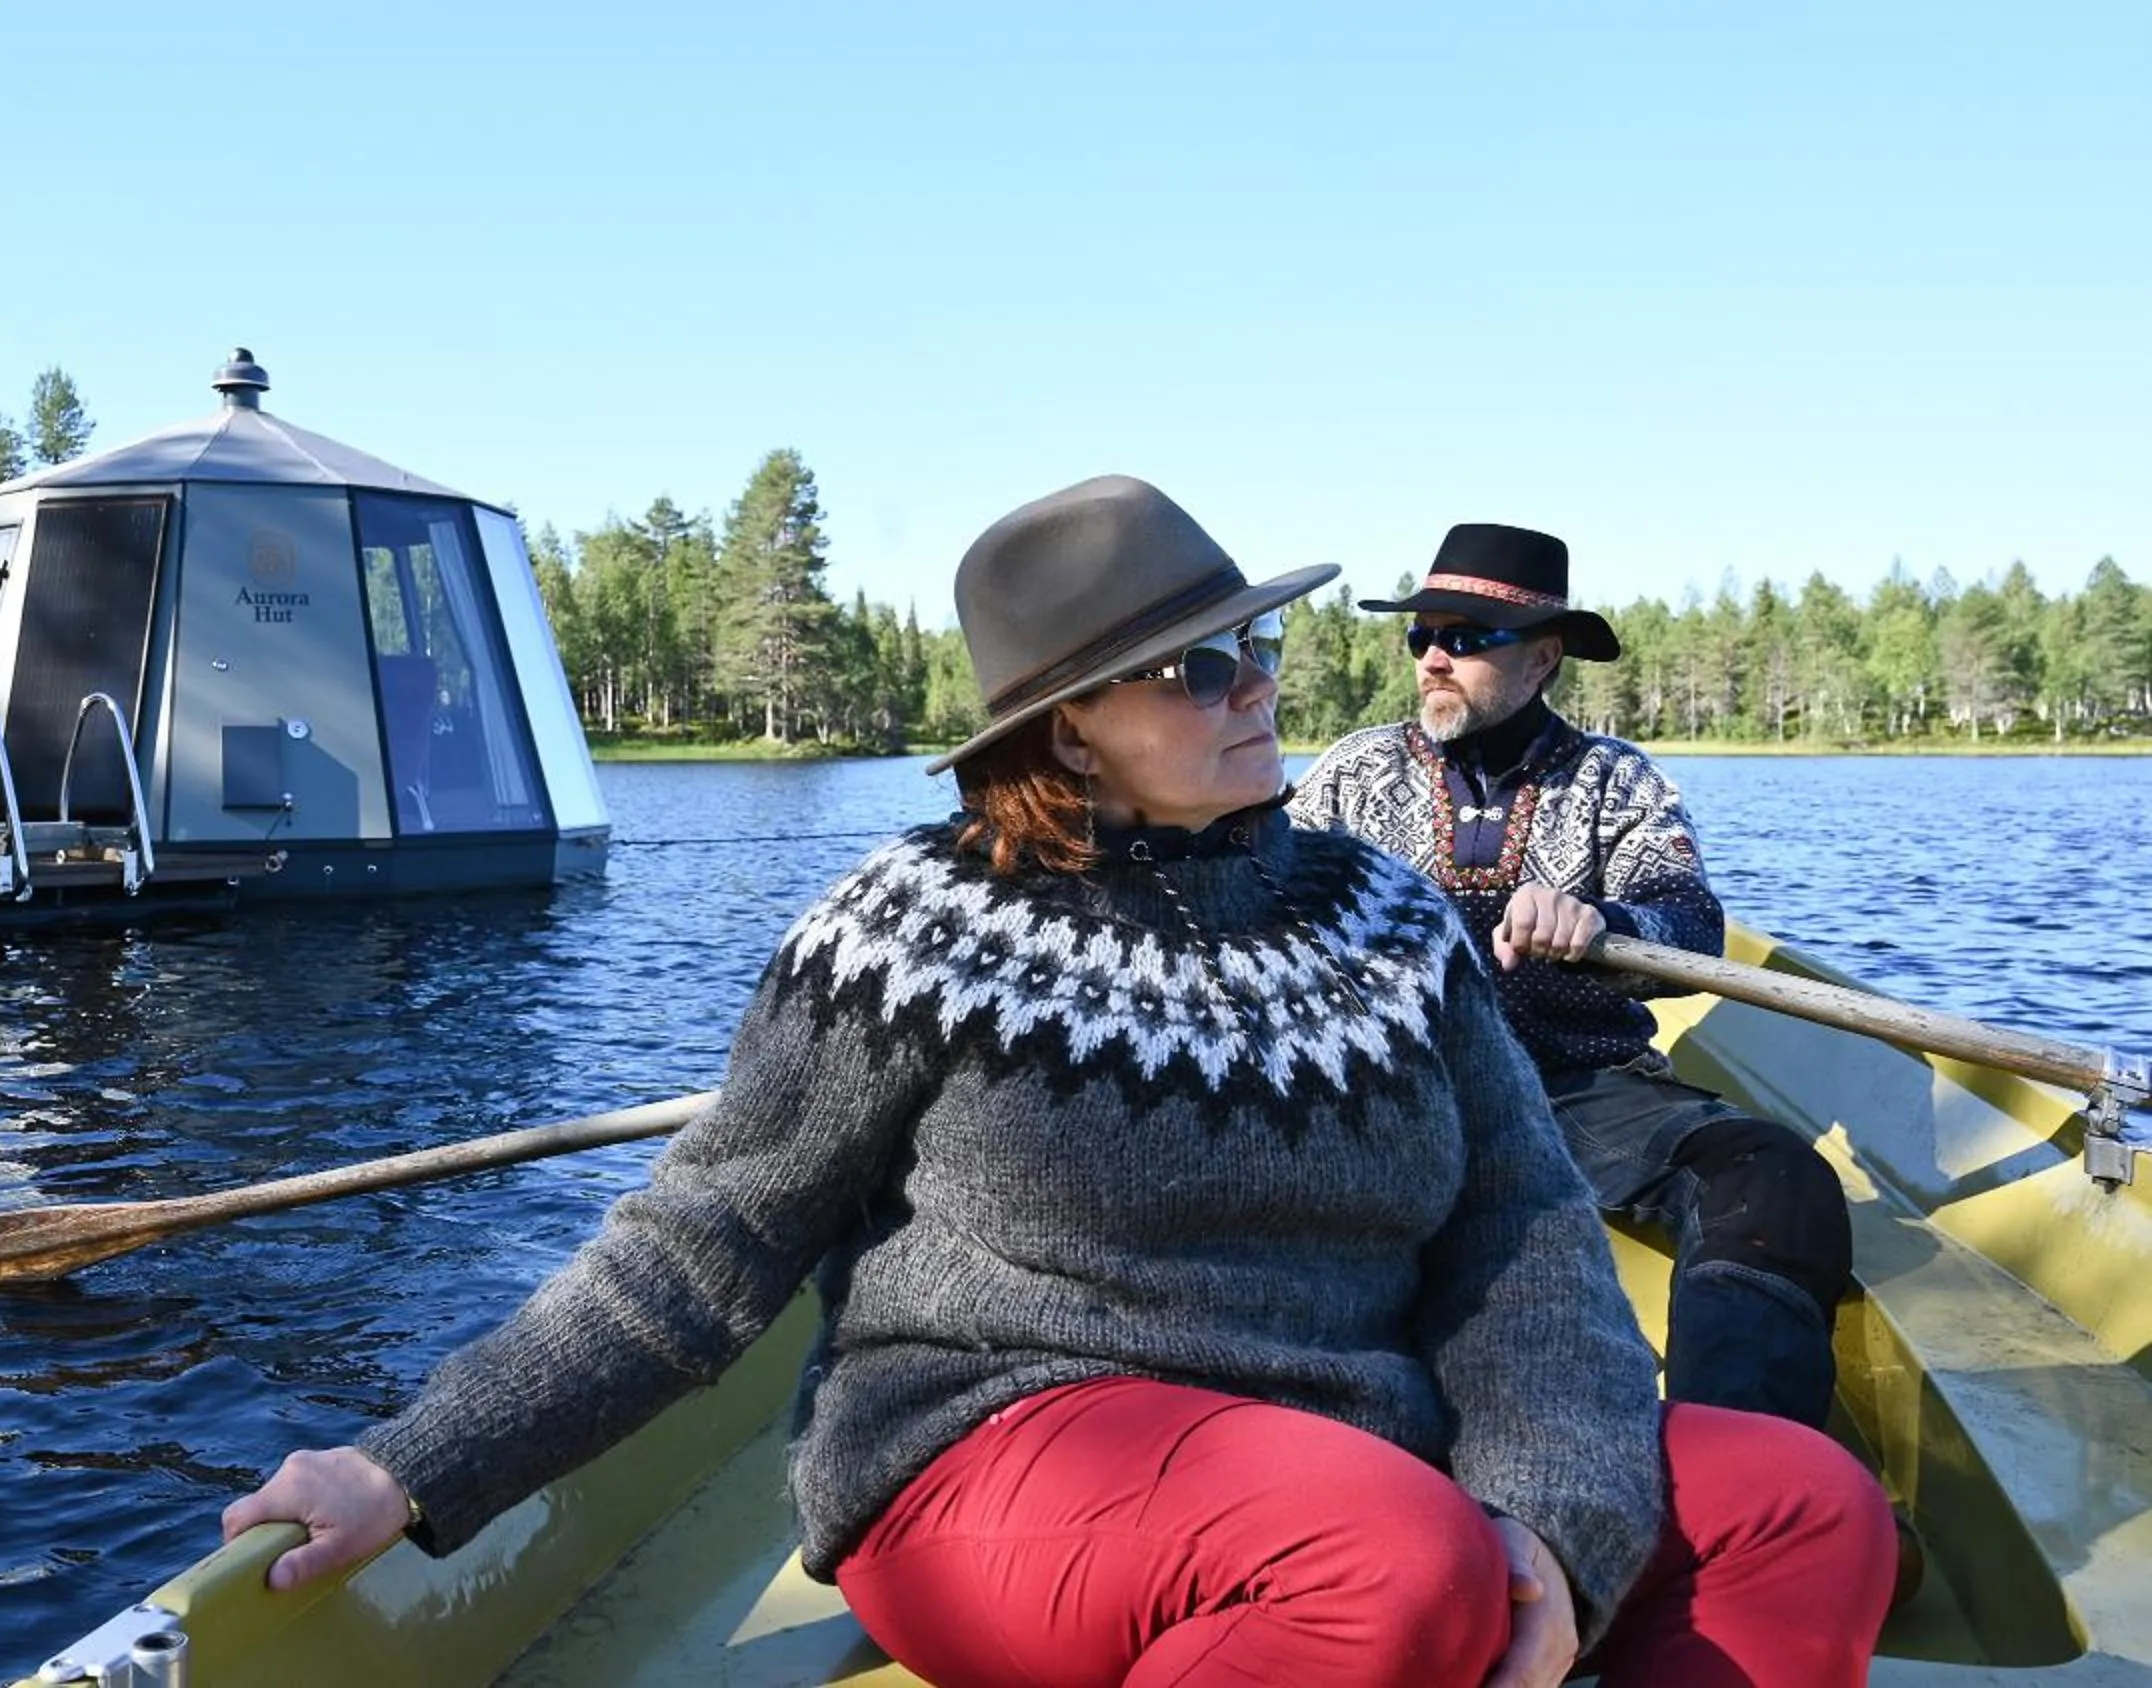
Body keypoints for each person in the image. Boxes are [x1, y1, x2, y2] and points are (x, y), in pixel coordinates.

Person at [225, 477, 1895, 1687]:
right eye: (1200, 666)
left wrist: (1553, 1518)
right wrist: (415, 1460)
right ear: (1071, 728)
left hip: (1359, 1442)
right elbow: (700, 1245)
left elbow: (1523, 1241)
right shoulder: (914, 928)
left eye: (1255, 642)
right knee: (1388, 1559)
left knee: (1801, 1507)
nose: (1260, 685)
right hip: (992, 1453)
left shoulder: (1386, 924)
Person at [1289, 524, 1855, 1432]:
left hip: (1575, 1090)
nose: (1434, 657)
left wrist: (1603, 923)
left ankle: (1739, 1453)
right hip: (1388, 1090)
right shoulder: (1352, 774)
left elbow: (1691, 926)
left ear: (1544, 658)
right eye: (1422, 634)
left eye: (1466, 638)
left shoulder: (1616, 781)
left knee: (1775, 1177)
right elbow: (1265, 904)